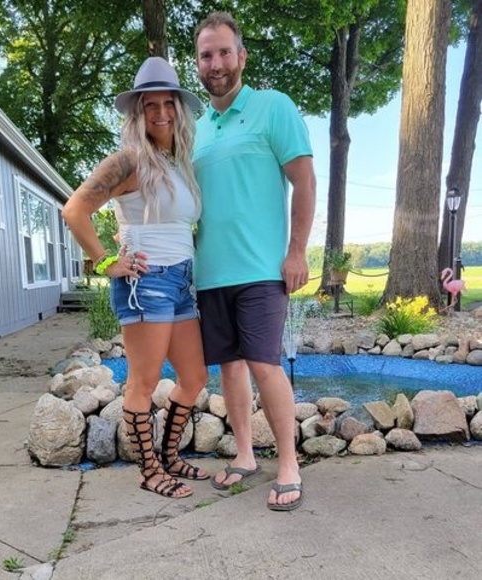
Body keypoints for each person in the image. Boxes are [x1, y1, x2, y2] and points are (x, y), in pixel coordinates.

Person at [62, 57, 209, 499]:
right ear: (138, 113)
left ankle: (170, 457)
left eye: (168, 103)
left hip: (181, 281)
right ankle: (149, 470)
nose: (161, 112)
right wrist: (106, 261)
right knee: (142, 383)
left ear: (179, 109)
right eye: (150, 105)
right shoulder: (128, 160)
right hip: (146, 283)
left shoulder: (178, 162)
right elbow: (74, 210)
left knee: (194, 377)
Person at [192, 12, 316, 511]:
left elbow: (304, 181)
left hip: (263, 270)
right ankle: (244, 455)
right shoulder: (195, 129)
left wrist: (297, 250)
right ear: (198, 64)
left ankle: (288, 464)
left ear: (241, 57)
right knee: (230, 367)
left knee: (265, 364)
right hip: (210, 273)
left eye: (224, 52)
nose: (216, 63)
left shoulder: (273, 107)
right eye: (206, 55)